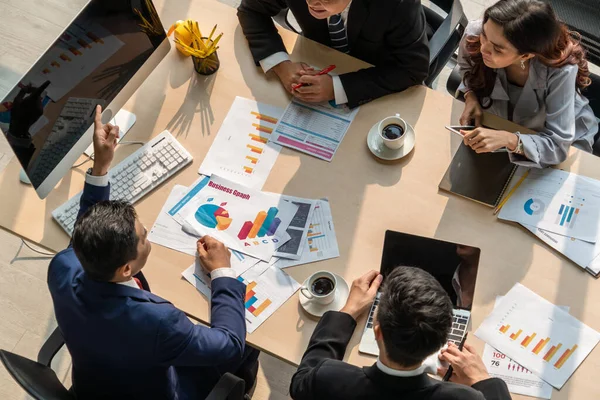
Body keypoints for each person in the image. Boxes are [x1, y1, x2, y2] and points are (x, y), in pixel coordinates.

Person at [47, 106, 258, 400]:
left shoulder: (63, 267)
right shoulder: (158, 321)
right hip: (158, 391)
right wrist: (222, 272)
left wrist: (101, 167)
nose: (148, 238)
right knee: (248, 346)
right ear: (125, 270)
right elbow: (230, 343)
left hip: (96, 383)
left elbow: (85, 230)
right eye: (143, 238)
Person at [290, 267, 511, 400]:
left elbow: (300, 382)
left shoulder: (330, 378)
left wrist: (347, 313)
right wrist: (484, 381)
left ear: (378, 333)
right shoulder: (464, 398)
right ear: (441, 342)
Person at [456, 0, 598, 169]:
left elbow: (558, 146)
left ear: (526, 56)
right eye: (485, 36)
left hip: (558, 138)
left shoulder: (561, 71)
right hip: (501, 125)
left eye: (498, 49)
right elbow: (466, 68)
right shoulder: (477, 33)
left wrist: (509, 139)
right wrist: (470, 95)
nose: (483, 48)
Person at [237, 0, 429, 108]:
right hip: (319, 56)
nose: (312, 2)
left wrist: (337, 87)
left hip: (378, 81)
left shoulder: (399, 4)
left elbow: (414, 69)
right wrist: (281, 65)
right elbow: (250, 10)